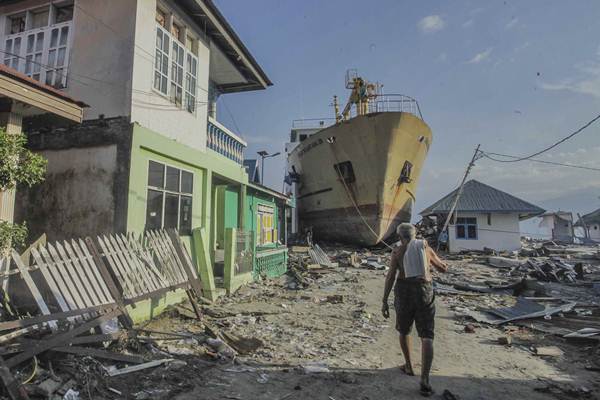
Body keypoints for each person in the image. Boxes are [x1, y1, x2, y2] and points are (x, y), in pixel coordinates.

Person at [381, 223, 448, 397]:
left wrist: (384, 300)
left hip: (403, 290)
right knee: (427, 335)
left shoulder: (397, 252)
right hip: (424, 289)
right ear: (415, 234)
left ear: (399, 236)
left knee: (404, 330)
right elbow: (443, 268)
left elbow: (390, 277)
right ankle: (425, 379)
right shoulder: (424, 247)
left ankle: (409, 366)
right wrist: (437, 264)